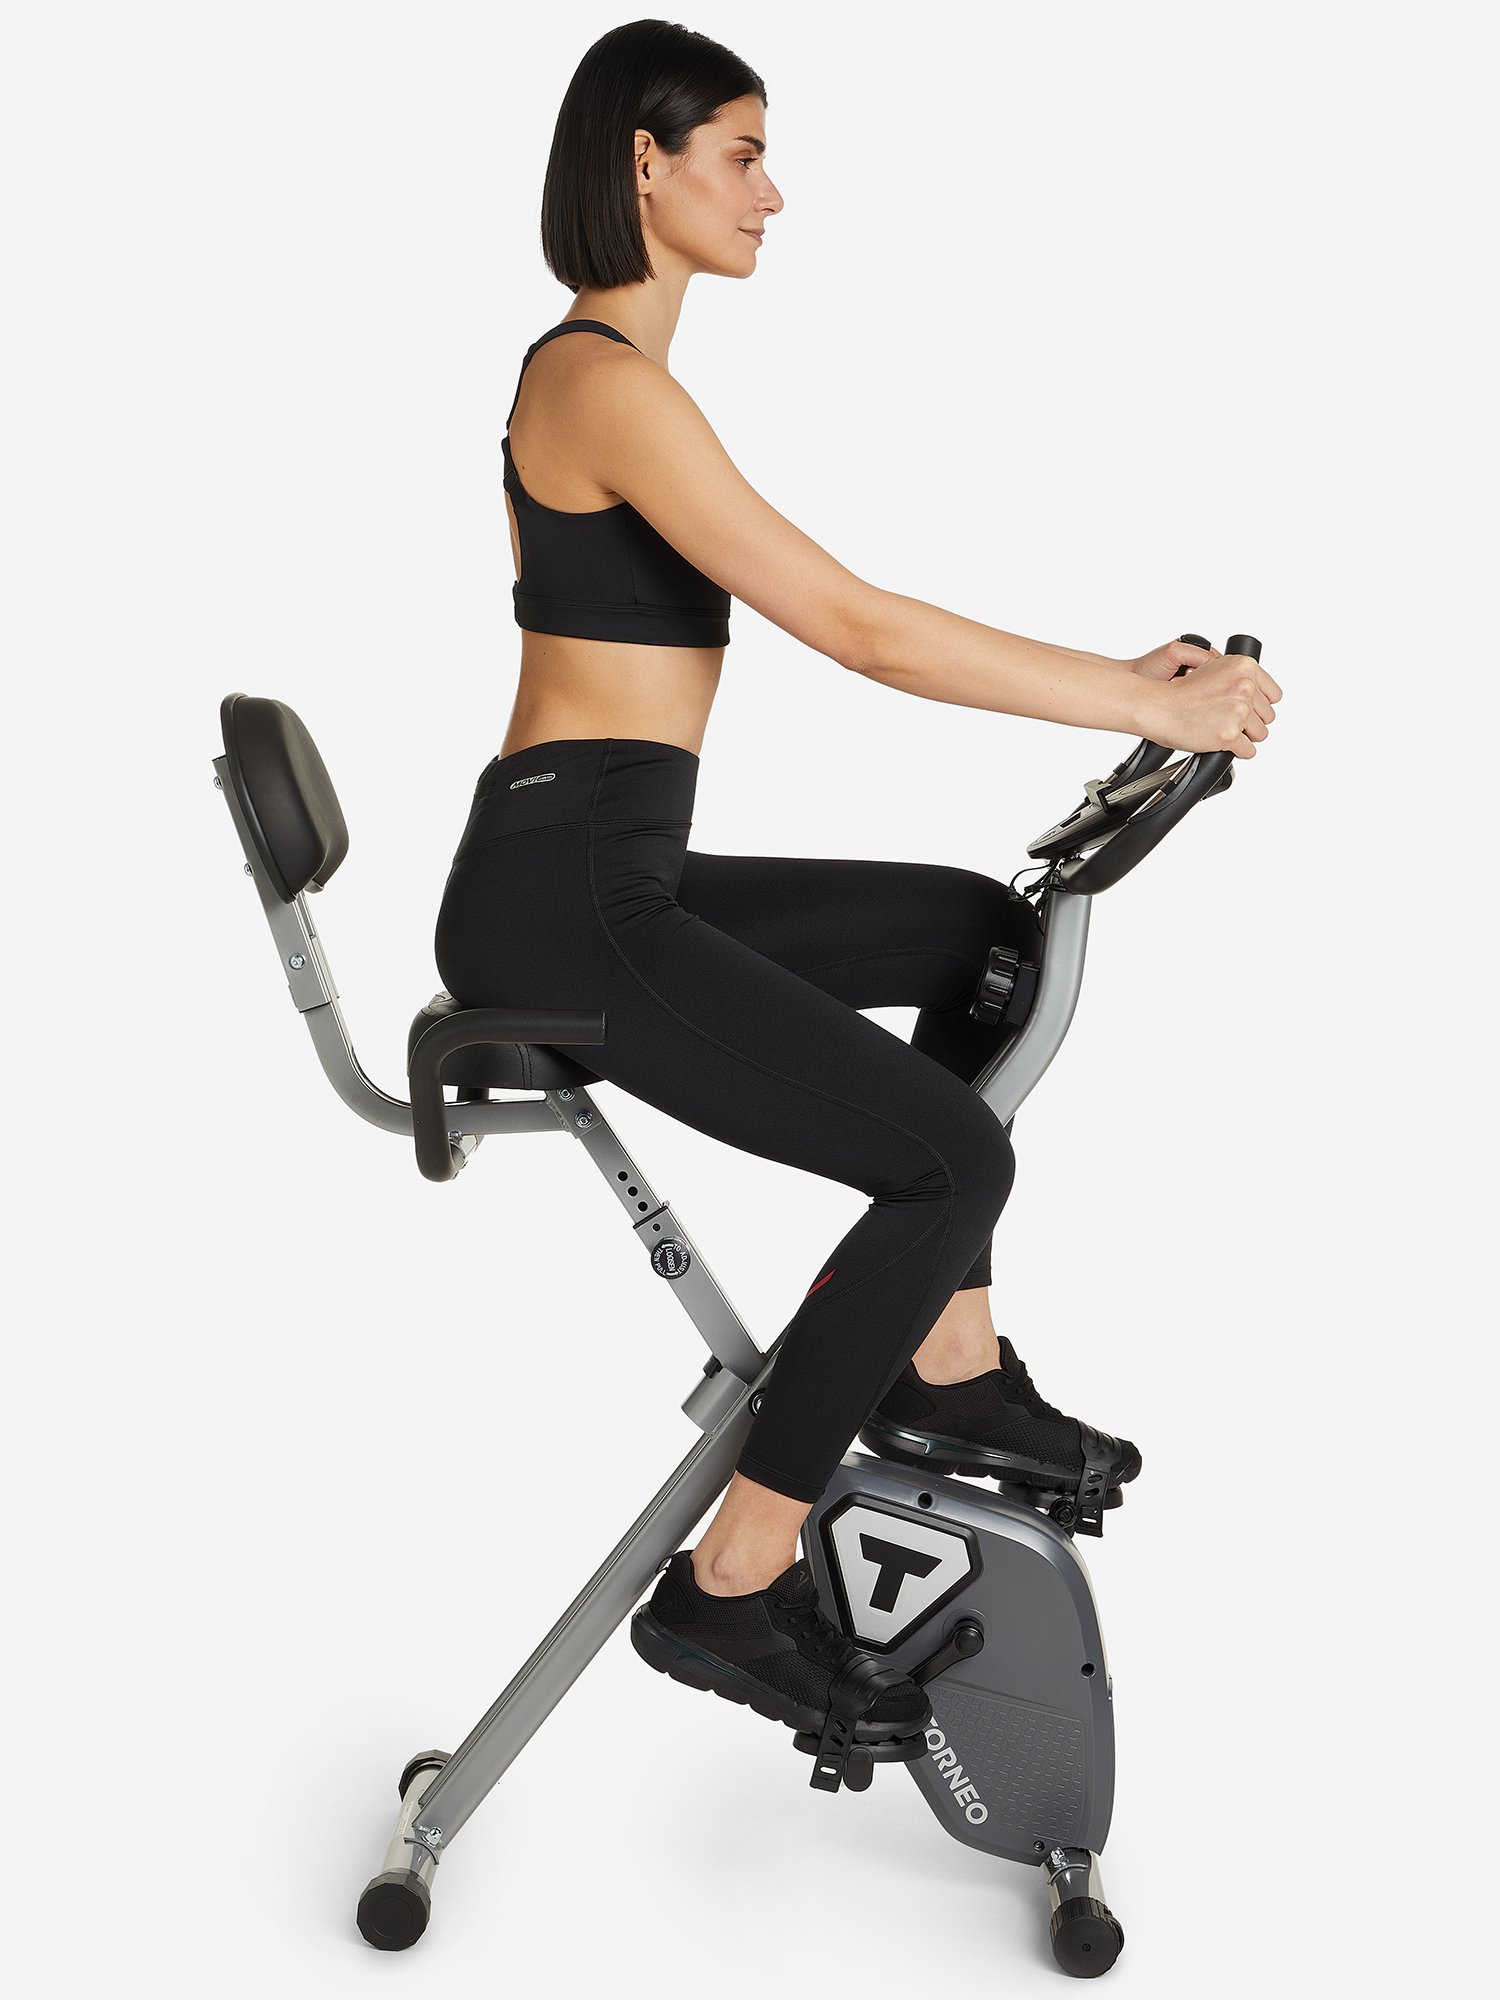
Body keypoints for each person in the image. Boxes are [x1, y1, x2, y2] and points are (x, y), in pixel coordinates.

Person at [434, 19, 1281, 1761]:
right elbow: (856, 627)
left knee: (983, 934)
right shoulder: (600, 383)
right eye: (743, 155)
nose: (774, 194)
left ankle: (945, 1366)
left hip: (607, 859)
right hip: (565, 893)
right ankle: (734, 1579)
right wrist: (1147, 708)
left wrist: (1127, 680)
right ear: (646, 162)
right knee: (953, 1157)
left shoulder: (619, 382)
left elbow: (858, 615)